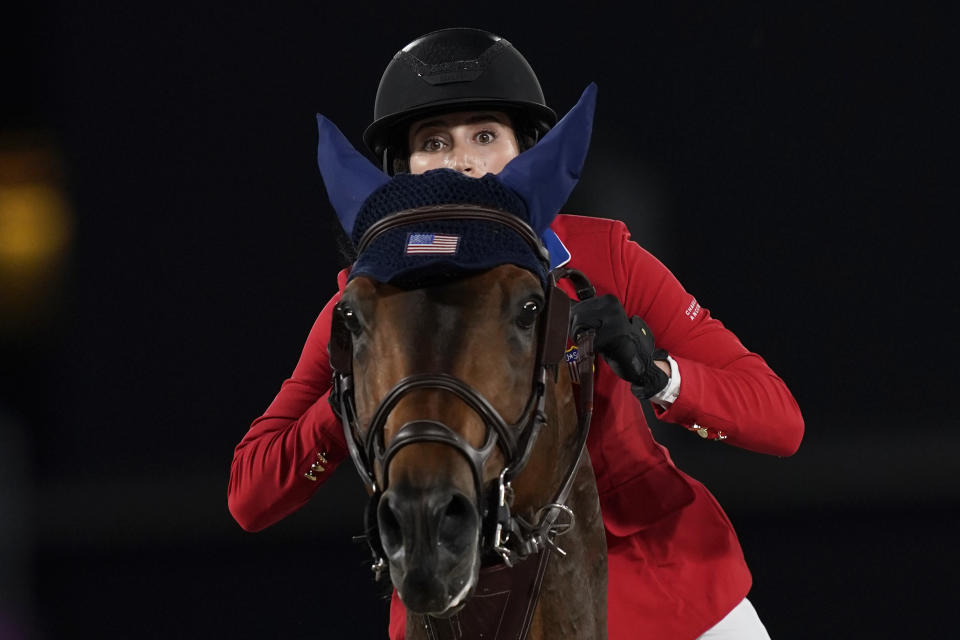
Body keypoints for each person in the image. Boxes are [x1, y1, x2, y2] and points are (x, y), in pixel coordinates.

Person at [228, 27, 804, 639]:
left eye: (484, 135)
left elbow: (780, 421)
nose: (463, 162)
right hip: (467, 610)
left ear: (523, 151)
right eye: (434, 142)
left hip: (661, 589)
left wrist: (657, 373)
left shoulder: (601, 256)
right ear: (404, 170)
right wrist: (364, 376)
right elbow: (250, 493)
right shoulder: (367, 299)